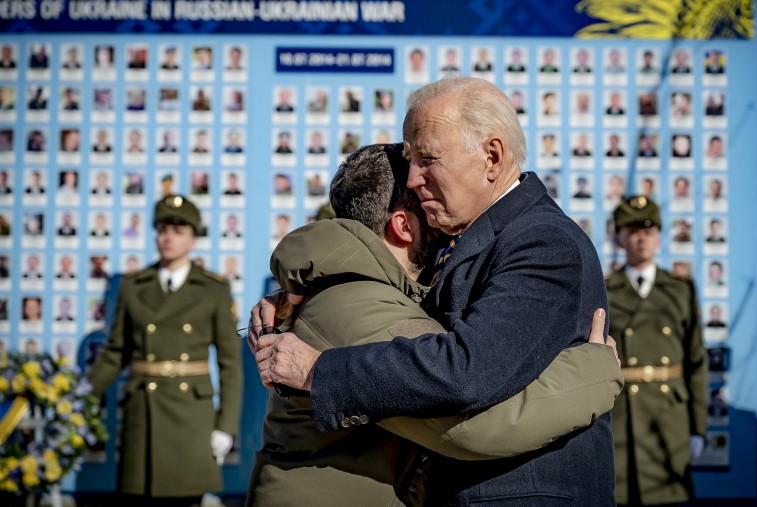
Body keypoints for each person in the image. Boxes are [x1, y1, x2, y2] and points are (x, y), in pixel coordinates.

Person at [251, 77, 617, 505]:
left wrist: (319, 369)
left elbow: (467, 372)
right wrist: (303, 290)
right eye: (409, 160)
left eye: (427, 158)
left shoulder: (539, 241)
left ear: (492, 158)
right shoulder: (471, 236)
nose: (413, 177)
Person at [87, 195, 242, 506]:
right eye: (162, 229)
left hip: (190, 417)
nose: (168, 237)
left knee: (186, 498)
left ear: (192, 238)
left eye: (178, 230)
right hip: (144, 410)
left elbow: (229, 363)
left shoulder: (213, 289)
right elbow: (115, 352)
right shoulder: (134, 287)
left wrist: (225, 427)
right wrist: (78, 396)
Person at [607, 196, 707, 505]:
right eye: (633, 231)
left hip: (668, 417)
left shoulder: (680, 289)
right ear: (620, 238)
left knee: (668, 496)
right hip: (623, 416)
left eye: (649, 231)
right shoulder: (605, 289)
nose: (641, 239)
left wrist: (698, 429)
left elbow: (696, 362)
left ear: (659, 236)